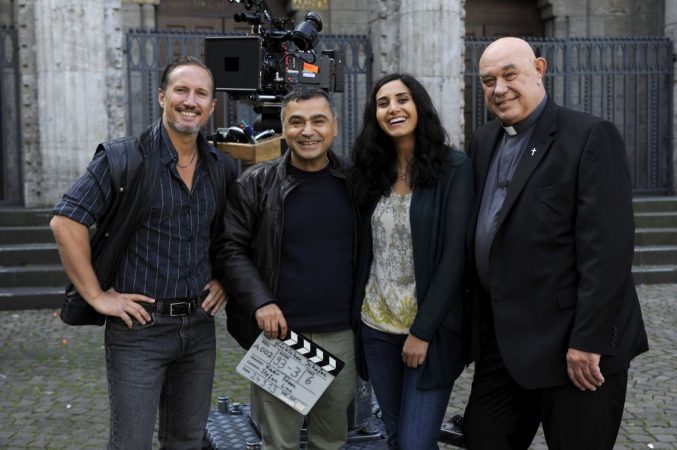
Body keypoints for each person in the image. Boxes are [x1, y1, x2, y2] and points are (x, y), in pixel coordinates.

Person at [463, 37, 649, 450]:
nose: (499, 89)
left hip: (575, 349)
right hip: (505, 342)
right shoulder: (483, 141)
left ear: (539, 70)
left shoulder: (589, 136)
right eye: (489, 81)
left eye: (510, 75)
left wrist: (587, 341)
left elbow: (609, 251)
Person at [50, 56, 237, 449]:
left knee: (187, 441)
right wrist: (97, 295)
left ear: (212, 106)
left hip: (199, 328)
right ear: (162, 97)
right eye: (181, 90)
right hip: (139, 331)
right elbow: (66, 222)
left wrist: (223, 277)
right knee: (131, 443)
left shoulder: (222, 167)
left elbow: (227, 236)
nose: (190, 101)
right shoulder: (122, 158)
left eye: (200, 93)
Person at [223, 87, 356, 450]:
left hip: (342, 333)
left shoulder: (358, 182)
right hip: (280, 336)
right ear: (283, 128)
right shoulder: (255, 183)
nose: (307, 131)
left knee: (331, 441)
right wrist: (260, 301)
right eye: (296, 122)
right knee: (279, 443)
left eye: (318, 121)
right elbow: (230, 249)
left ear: (334, 126)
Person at [348, 73, 473, 450]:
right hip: (376, 326)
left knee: (415, 442)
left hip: (428, 331)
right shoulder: (371, 171)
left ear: (419, 105)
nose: (393, 109)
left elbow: (454, 257)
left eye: (402, 99)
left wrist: (422, 332)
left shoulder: (454, 168)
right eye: (383, 103)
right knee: (396, 438)